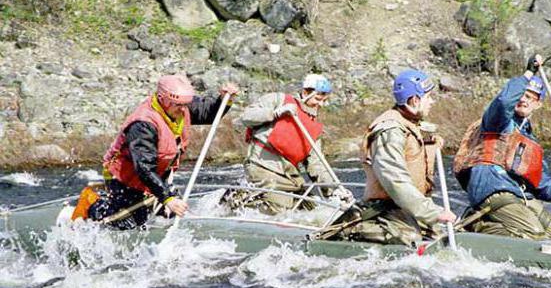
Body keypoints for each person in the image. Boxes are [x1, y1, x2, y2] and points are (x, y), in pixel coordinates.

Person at [452, 55, 551, 240]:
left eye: (530, 97)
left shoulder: (530, 140)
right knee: (534, 234)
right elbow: (504, 101)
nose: (524, 100)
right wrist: (529, 73)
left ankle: (502, 226)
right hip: (493, 188)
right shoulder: (498, 121)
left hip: (518, 194)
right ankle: (476, 226)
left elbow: (542, 185)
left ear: (537, 104)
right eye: (523, 94)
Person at [73, 75, 239, 230]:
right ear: (162, 99)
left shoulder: (181, 105)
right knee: (128, 224)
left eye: (185, 105)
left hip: (155, 174)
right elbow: (144, 168)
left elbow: (207, 112)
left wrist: (225, 100)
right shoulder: (143, 124)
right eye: (178, 105)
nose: (183, 110)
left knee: (169, 213)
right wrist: (167, 197)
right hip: (125, 176)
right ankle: (90, 206)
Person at [318, 69, 456, 246]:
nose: (432, 101)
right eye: (428, 97)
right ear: (414, 100)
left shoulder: (411, 125)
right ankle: (353, 230)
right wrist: (433, 213)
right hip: (384, 209)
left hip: (405, 207)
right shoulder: (390, 130)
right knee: (411, 238)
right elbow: (394, 180)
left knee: (445, 235)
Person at [223, 73, 352, 214]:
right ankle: (238, 199)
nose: (320, 104)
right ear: (305, 92)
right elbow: (247, 117)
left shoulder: (313, 128)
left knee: (313, 209)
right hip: (263, 168)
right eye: (318, 99)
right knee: (279, 211)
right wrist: (275, 113)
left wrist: (336, 190)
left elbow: (317, 165)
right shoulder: (278, 100)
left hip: (290, 178)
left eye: (324, 100)